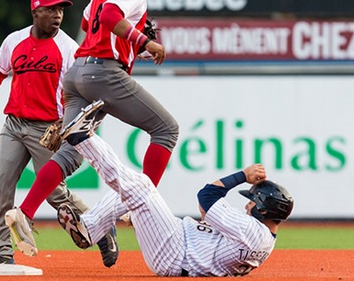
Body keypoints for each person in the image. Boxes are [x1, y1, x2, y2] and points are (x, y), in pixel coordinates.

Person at [5, 0, 179, 252]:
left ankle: (25, 212)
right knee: (166, 130)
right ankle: (141, 202)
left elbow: (90, 22)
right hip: (103, 75)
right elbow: (111, 17)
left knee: (72, 152)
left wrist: (133, 45)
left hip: (77, 75)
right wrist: (143, 41)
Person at [55, 100, 294, 277]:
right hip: (178, 244)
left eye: (253, 200)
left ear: (263, 209)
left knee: (139, 188)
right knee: (135, 191)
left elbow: (206, 196)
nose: (247, 203)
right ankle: (91, 228)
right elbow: (206, 215)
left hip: (176, 253)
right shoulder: (261, 238)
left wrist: (242, 175)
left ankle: (82, 139)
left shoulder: (253, 232)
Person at [0, 0, 118, 267]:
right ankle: (2, 253)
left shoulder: (68, 49)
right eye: (51, 10)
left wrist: (69, 126)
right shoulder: (15, 40)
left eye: (61, 10)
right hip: (14, 125)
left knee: (55, 194)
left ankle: (100, 228)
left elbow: (81, 90)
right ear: (35, 13)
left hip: (48, 130)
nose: (57, 15)